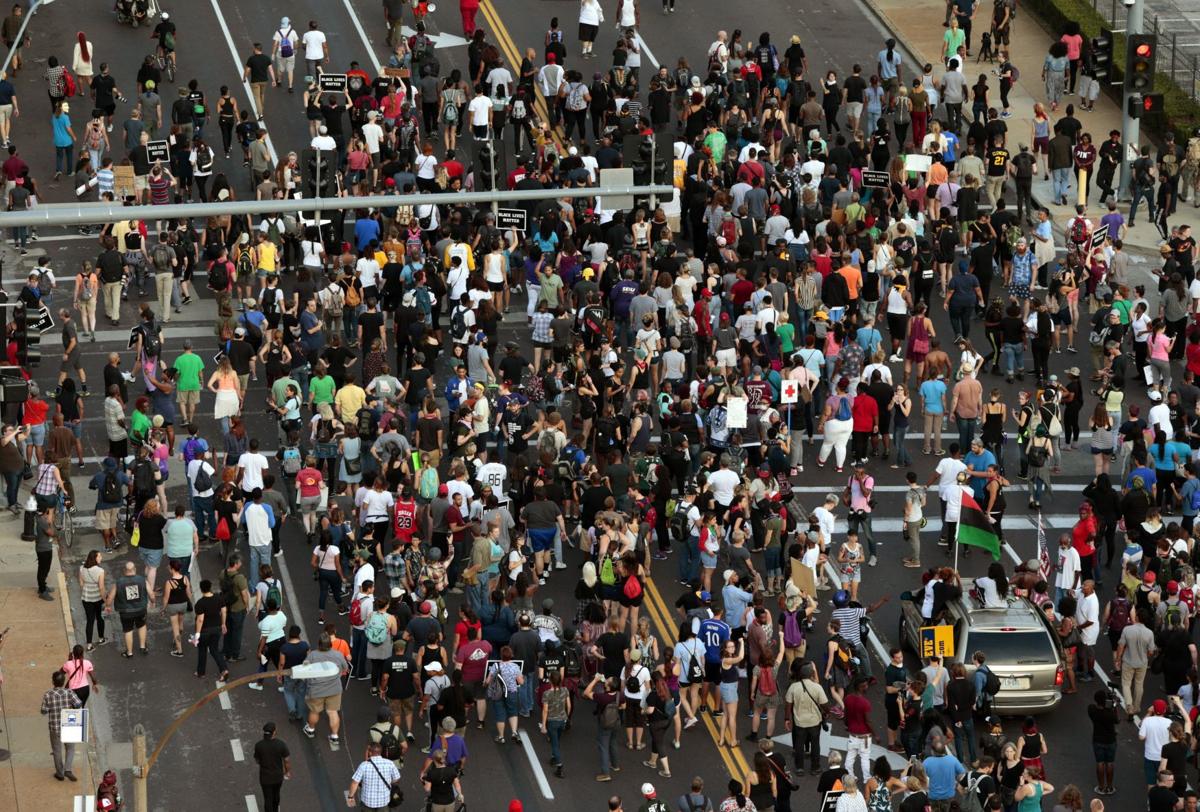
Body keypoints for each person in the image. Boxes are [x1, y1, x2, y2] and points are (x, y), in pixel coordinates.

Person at [40, 669, 82, 782]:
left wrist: (50, 708)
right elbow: (78, 704)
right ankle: (68, 769)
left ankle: (60, 773)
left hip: (54, 727)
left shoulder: (48, 694)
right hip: (69, 724)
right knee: (71, 748)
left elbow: (43, 711)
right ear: (63, 681)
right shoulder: (69, 692)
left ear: (53, 682)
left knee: (57, 750)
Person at [348, 742, 402, 811]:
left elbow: (354, 783)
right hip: (384, 801)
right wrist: (389, 782)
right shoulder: (390, 763)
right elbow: (397, 778)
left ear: (370, 752)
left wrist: (350, 796)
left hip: (368, 802)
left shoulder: (364, 765)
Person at [253, 721, 291, 812]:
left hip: (265, 777)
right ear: (274, 732)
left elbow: (257, 760)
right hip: (278, 776)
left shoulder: (259, 745)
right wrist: (287, 771)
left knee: (268, 798)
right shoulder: (281, 744)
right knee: (276, 794)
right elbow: (286, 761)